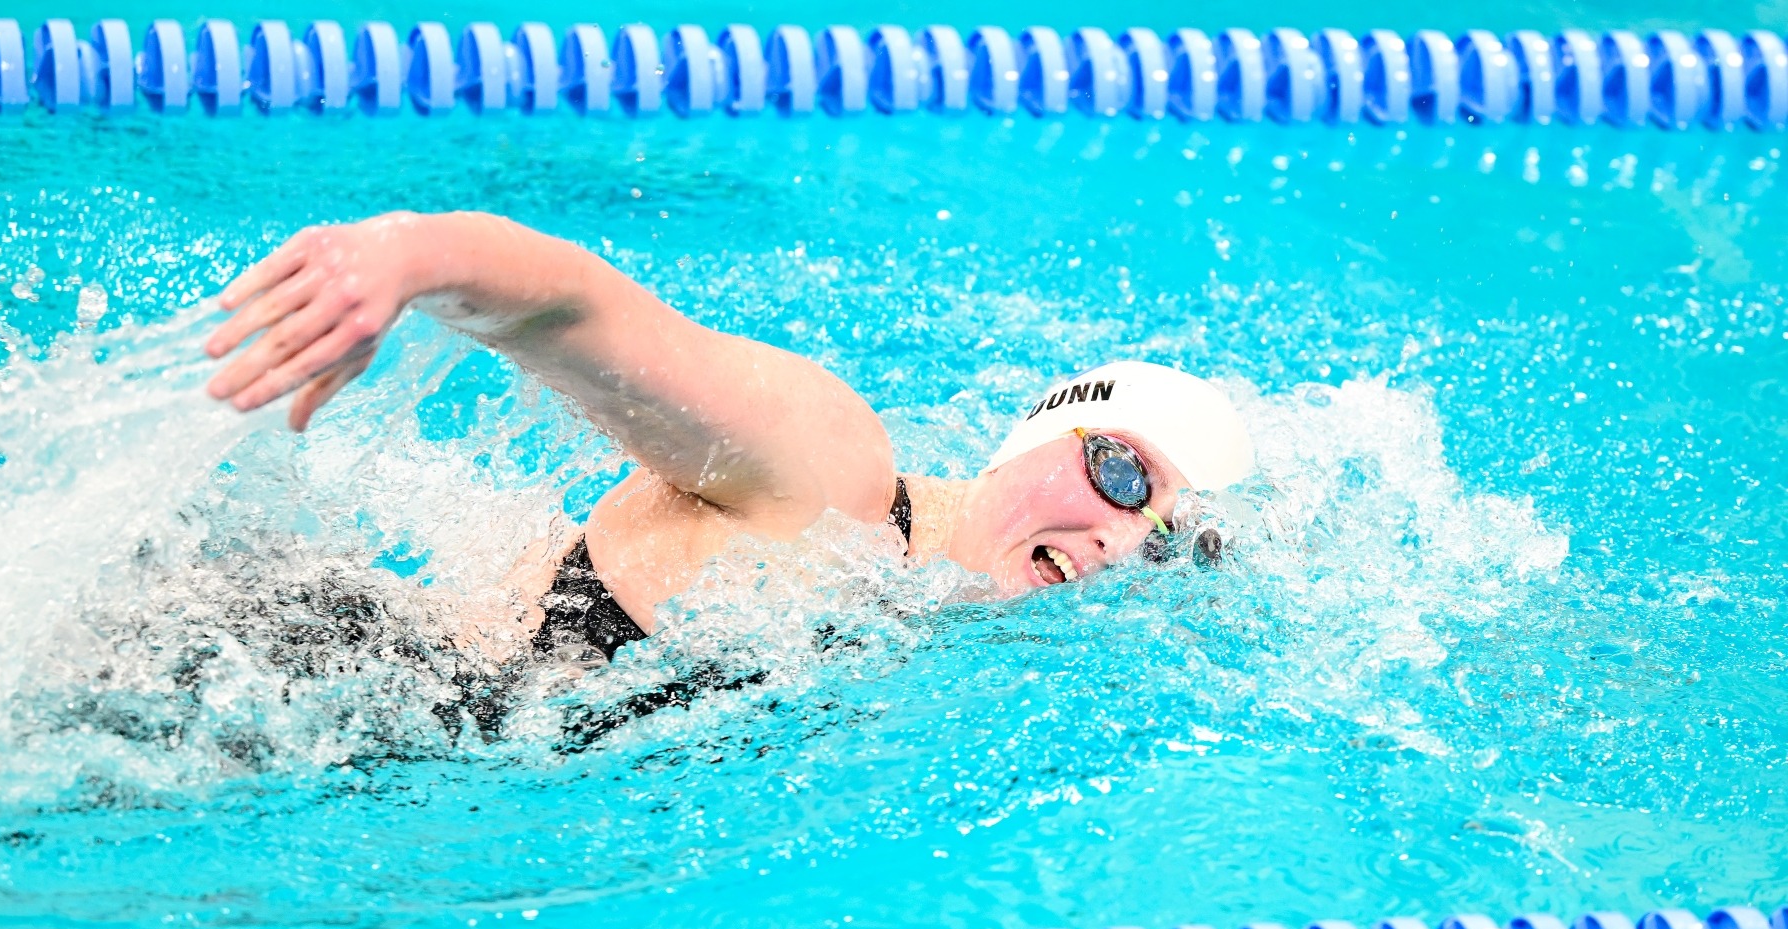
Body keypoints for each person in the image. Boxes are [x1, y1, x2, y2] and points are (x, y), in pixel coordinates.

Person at [204, 211, 1255, 665]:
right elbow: (583, 314)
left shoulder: (928, 618)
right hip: (266, 671)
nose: (1123, 538)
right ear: (1037, 434)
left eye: (1164, 539)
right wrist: (403, 259)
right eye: (1123, 474)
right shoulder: (834, 474)